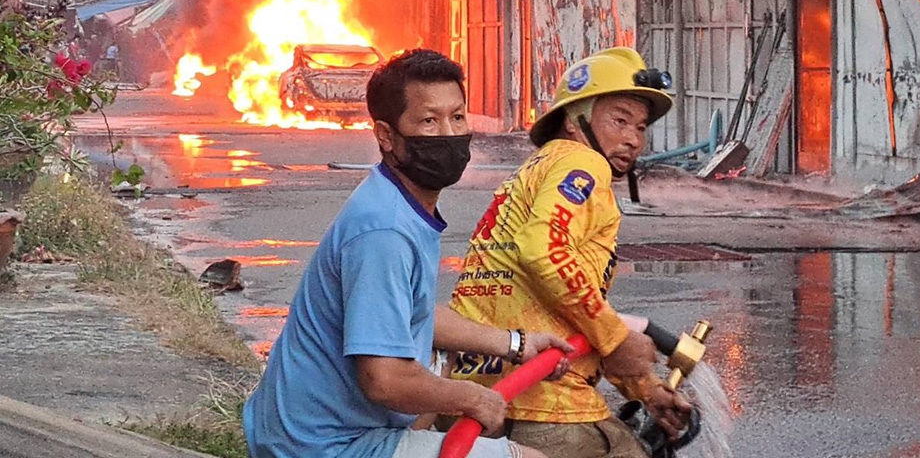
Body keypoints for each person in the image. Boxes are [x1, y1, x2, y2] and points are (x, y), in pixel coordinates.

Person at [243, 49, 571, 458]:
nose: (450, 134)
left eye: (457, 116)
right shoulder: (385, 230)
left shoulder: (398, 201)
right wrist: (470, 398)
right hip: (324, 446)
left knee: (441, 359)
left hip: (317, 428)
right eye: (429, 121)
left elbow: (415, 314)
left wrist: (517, 344)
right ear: (386, 136)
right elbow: (383, 380)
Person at [448, 47, 692, 458]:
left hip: (481, 391)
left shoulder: (540, 167)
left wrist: (644, 388)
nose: (633, 138)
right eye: (619, 120)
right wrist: (616, 340)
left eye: (641, 126)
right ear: (573, 119)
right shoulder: (583, 162)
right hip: (548, 406)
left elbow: (567, 305)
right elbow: (543, 250)